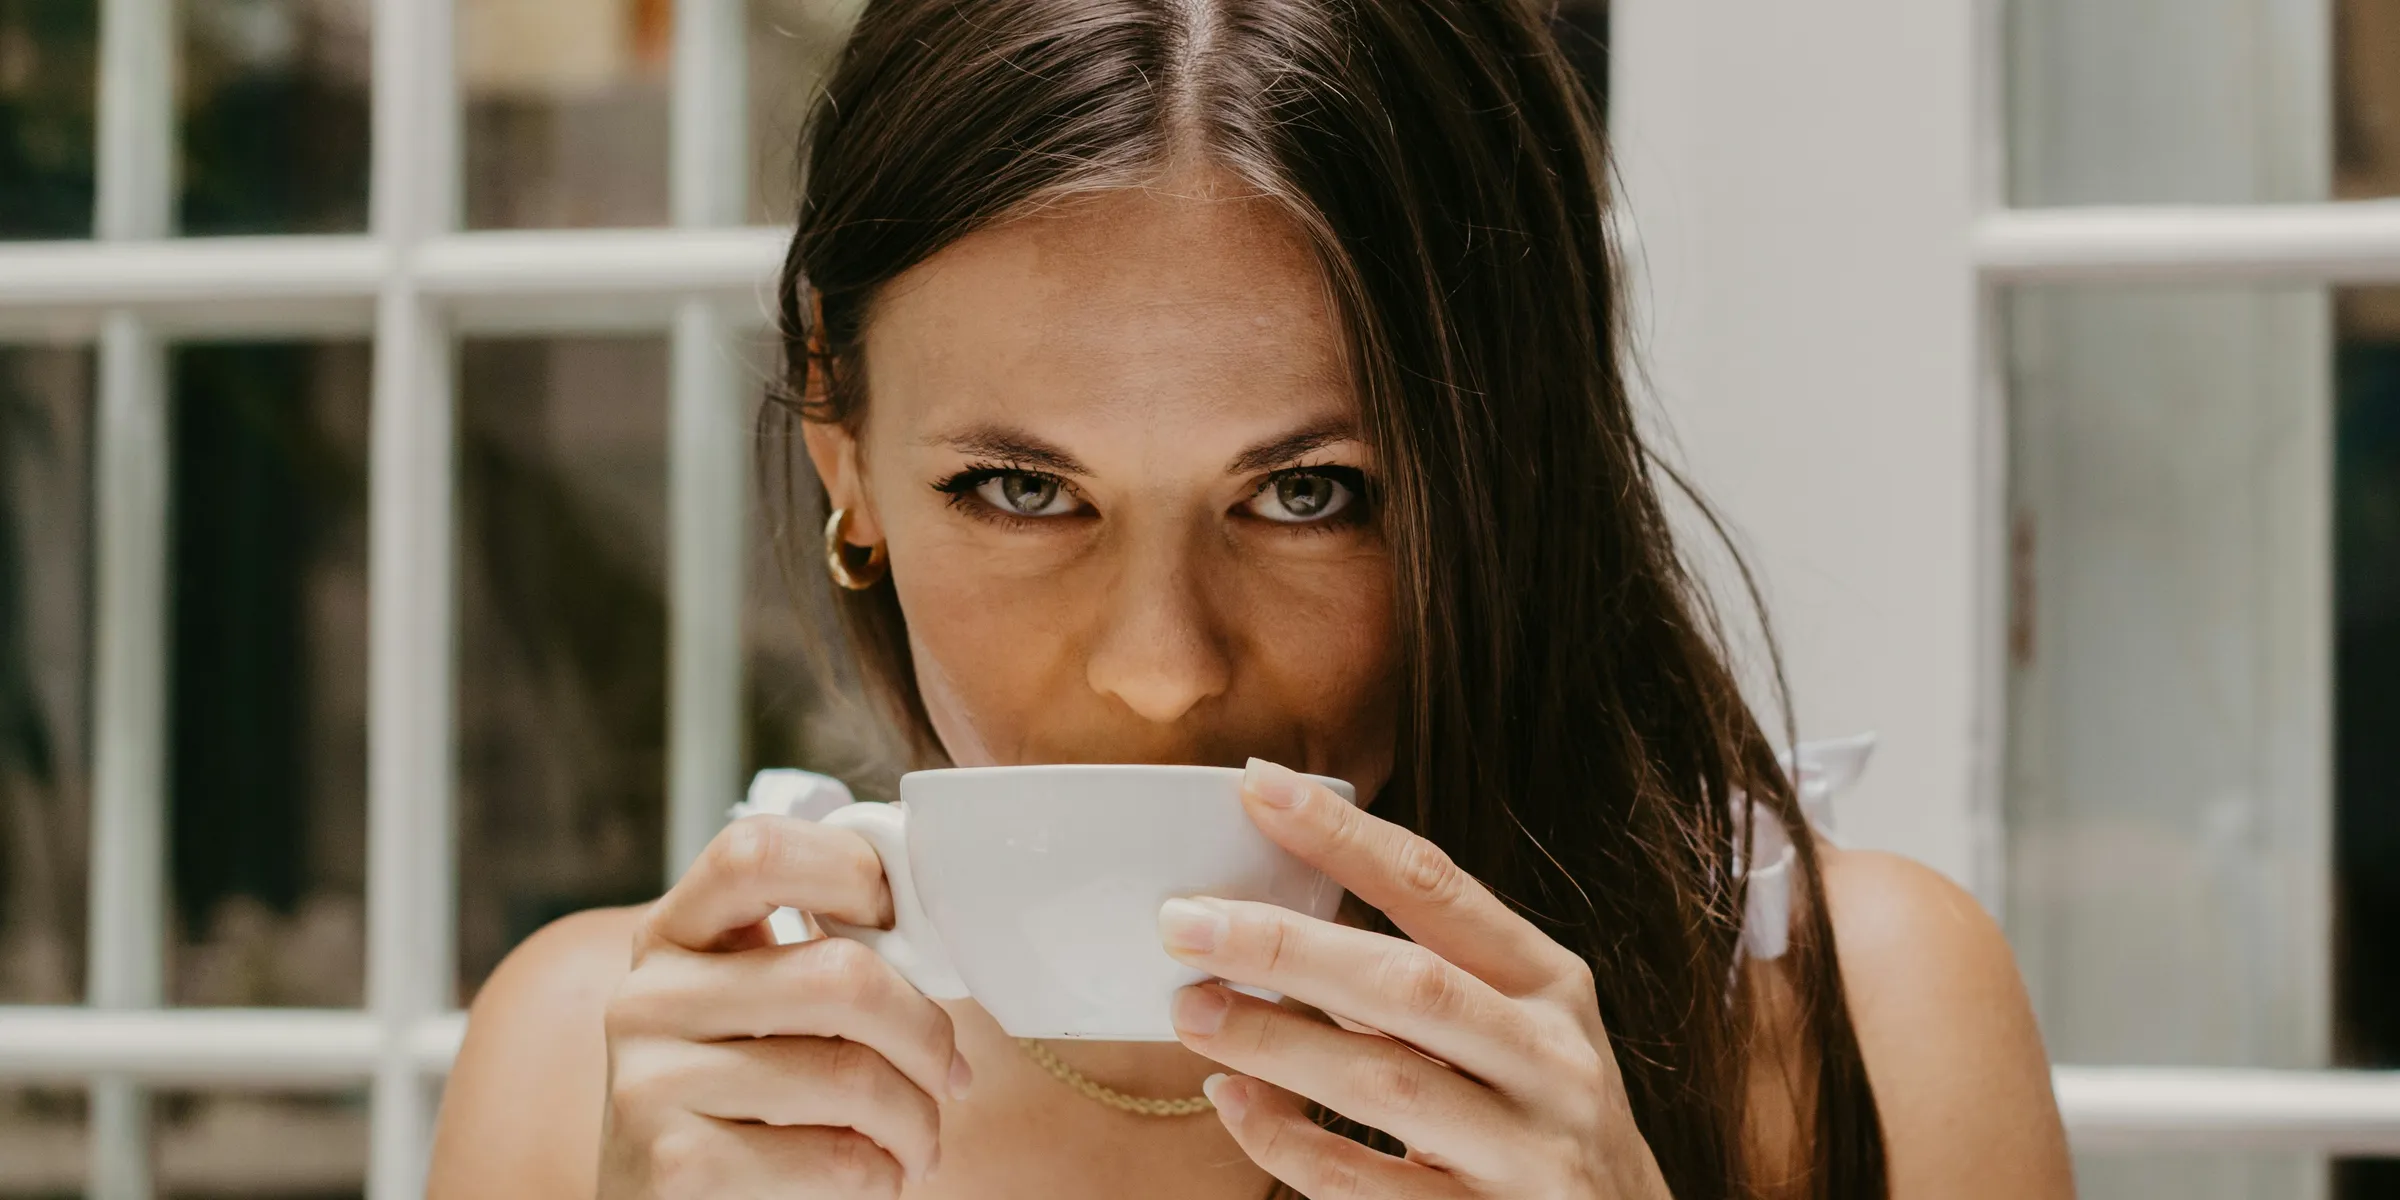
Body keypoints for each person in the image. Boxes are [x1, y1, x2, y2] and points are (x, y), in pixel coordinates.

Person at [426, 1, 2073, 1197]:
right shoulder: (605, 1070)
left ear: (1496, 480)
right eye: (1020, 489)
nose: (1161, 672)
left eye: (1308, 495)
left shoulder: (1851, 1024)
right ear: (843, 452)